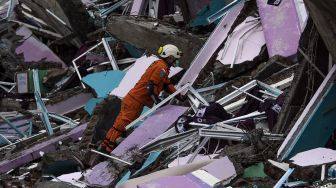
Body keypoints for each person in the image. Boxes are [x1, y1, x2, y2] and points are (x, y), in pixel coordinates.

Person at [101, 44, 183, 153]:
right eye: (175, 59)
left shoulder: (160, 66)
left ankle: (106, 146)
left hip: (133, 99)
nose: (175, 62)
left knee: (119, 124)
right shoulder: (161, 68)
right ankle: (109, 149)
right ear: (170, 57)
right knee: (121, 125)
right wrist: (157, 102)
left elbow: (166, 84)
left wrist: (179, 95)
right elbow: (151, 86)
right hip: (135, 101)